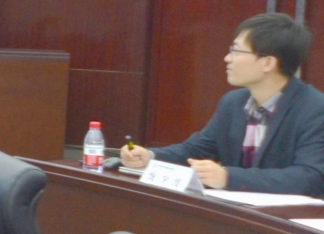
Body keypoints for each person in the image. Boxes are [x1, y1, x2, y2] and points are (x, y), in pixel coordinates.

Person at [123, 13, 324, 197]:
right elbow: (198, 149)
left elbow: (310, 176)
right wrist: (150, 156)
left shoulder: (314, 109)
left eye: (235, 51)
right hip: (235, 213)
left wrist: (228, 177)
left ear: (267, 63)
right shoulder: (234, 102)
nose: (227, 58)